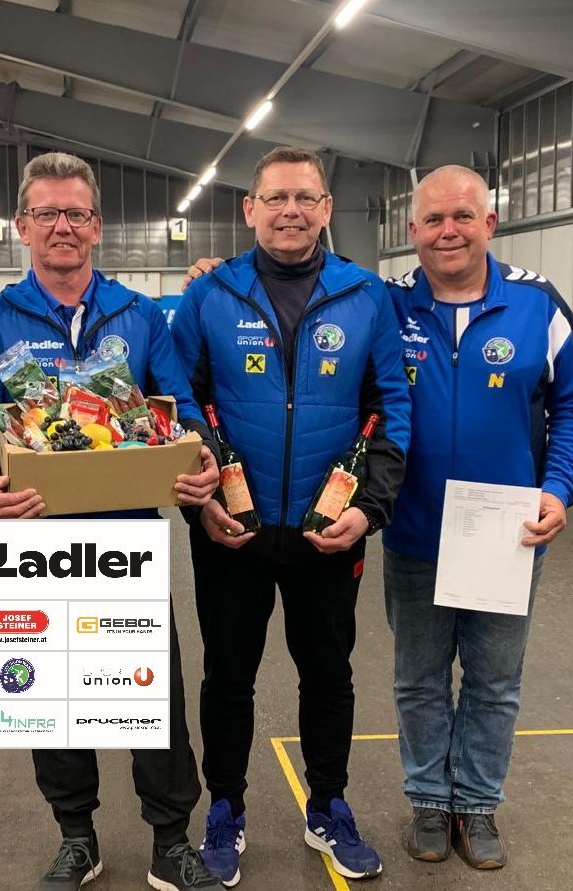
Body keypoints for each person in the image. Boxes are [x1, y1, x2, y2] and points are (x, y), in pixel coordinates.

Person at [0, 152, 226, 891]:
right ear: (22, 226)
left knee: (151, 692)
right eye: (46, 213)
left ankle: (171, 841)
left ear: (97, 226)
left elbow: (178, 406)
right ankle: (77, 837)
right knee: (53, 697)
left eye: (75, 213)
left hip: (129, 534)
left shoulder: (139, 315)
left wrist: (200, 454)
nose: (62, 227)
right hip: (39, 537)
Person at [171, 146, 412, 885]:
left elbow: (391, 407)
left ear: (327, 208)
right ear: (250, 209)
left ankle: (328, 805)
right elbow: (178, 401)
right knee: (228, 676)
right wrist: (203, 503)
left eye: (306, 198)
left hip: (326, 530)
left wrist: (368, 511)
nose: (290, 211)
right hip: (232, 531)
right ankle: (225, 808)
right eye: (275, 198)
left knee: (329, 674)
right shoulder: (210, 295)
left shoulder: (366, 295)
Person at [382, 165, 573, 869]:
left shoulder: (539, 305)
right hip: (415, 532)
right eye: (433, 219)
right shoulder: (388, 305)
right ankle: (428, 800)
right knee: (418, 678)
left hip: (507, 536)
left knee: (494, 681)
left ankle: (475, 803)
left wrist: (557, 490)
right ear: (412, 230)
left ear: (490, 223)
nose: (448, 231)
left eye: (462, 217)